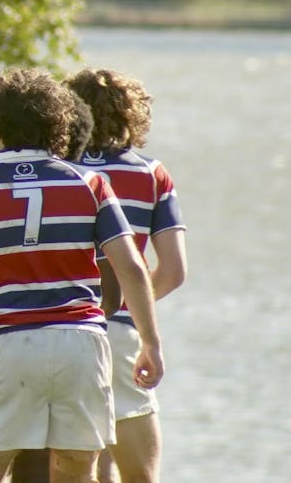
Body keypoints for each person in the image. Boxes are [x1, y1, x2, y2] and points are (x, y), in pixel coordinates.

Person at [0, 68, 165, 483]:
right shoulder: (91, 183)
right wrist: (150, 342)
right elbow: (131, 267)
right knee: (77, 474)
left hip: (7, 343)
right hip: (80, 344)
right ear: (59, 122)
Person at [66, 68, 187, 483]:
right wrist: (132, 304)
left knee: (76, 467)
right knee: (139, 475)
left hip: (61, 329)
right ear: (130, 114)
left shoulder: (59, 170)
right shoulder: (152, 174)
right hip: (120, 334)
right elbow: (173, 271)